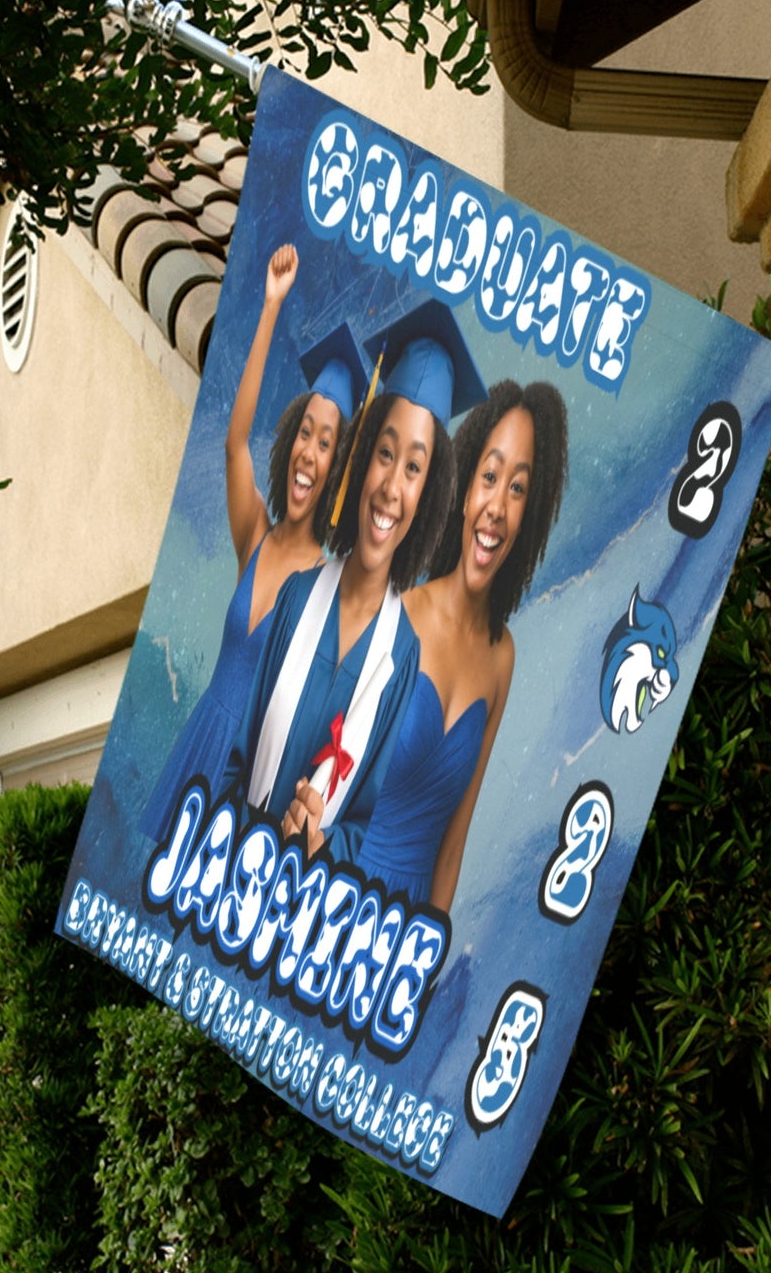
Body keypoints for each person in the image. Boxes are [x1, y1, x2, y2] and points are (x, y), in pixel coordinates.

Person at [228, 298, 487, 866]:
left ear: (429, 492)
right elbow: (236, 753)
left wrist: (321, 842)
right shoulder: (296, 597)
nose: (392, 486)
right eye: (385, 454)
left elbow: (365, 824)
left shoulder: (402, 660)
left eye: (414, 468)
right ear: (362, 457)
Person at [136, 245, 367, 841]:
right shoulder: (255, 536)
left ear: (336, 468)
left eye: (325, 443)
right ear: (290, 438)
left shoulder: (327, 584)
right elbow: (235, 442)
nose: (308, 453)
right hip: (200, 744)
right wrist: (270, 306)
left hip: (251, 783)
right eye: (304, 434)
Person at [353, 378, 569, 911]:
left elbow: (454, 843)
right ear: (465, 492)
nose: (497, 506)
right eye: (490, 477)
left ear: (531, 514)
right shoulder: (396, 615)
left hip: (408, 930)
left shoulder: (502, 658)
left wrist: (423, 964)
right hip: (336, 893)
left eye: (517, 488)